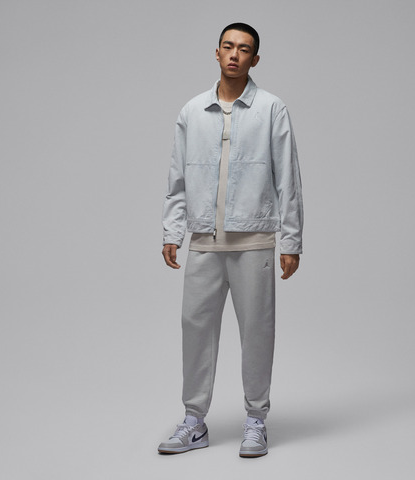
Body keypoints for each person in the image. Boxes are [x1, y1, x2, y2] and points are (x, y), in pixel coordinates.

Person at [158, 22, 303, 458]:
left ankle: (256, 420)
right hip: (204, 240)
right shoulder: (192, 111)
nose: (235, 54)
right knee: (195, 330)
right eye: (228, 46)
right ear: (217, 53)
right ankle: (194, 422)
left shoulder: (271, 109)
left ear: (255, 59)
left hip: (254, 241)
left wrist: (291, 240)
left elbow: (288, 178)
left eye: (244, 49)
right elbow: (177, 177)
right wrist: (173, 230)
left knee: (257, 332)